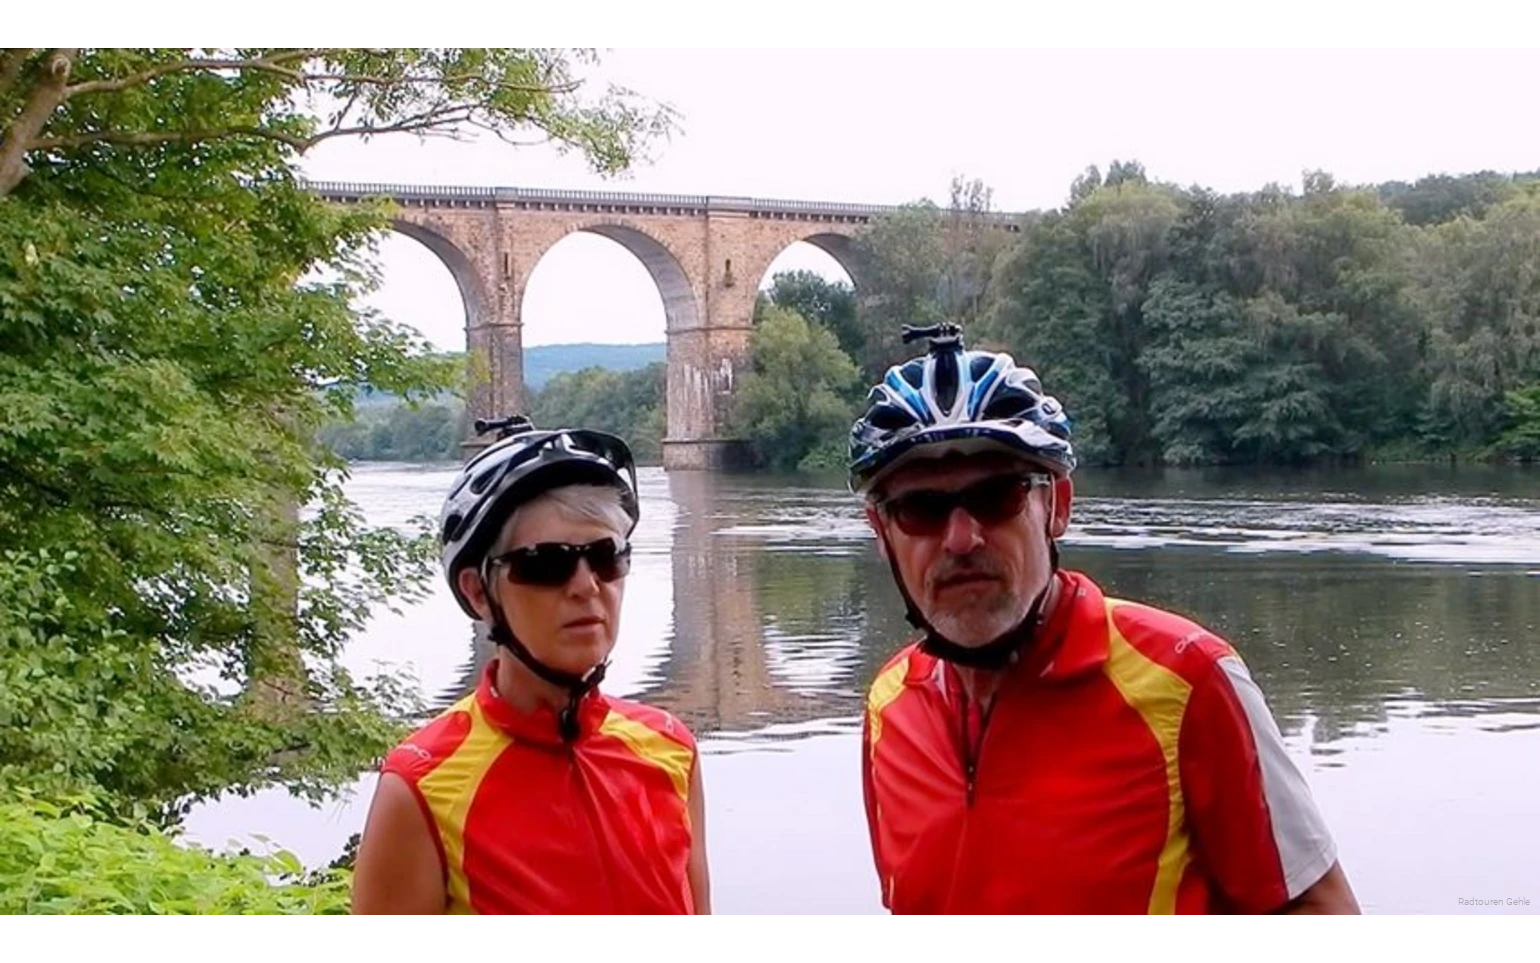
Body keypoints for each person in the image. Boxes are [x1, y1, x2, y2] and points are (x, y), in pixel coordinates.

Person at [851, 323, 1360, 919]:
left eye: (998, 497)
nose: (961, 538)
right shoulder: (891, 707)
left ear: (1056, 506)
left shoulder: (1188, 678)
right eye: (921, 509)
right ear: (882, 533)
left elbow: (1319, 908)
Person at [349, 415, 711, 918]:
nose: (586, 586)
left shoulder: (669, 749)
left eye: (606, 557)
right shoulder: (422, 786)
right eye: (546, 563)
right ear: (478, 592)